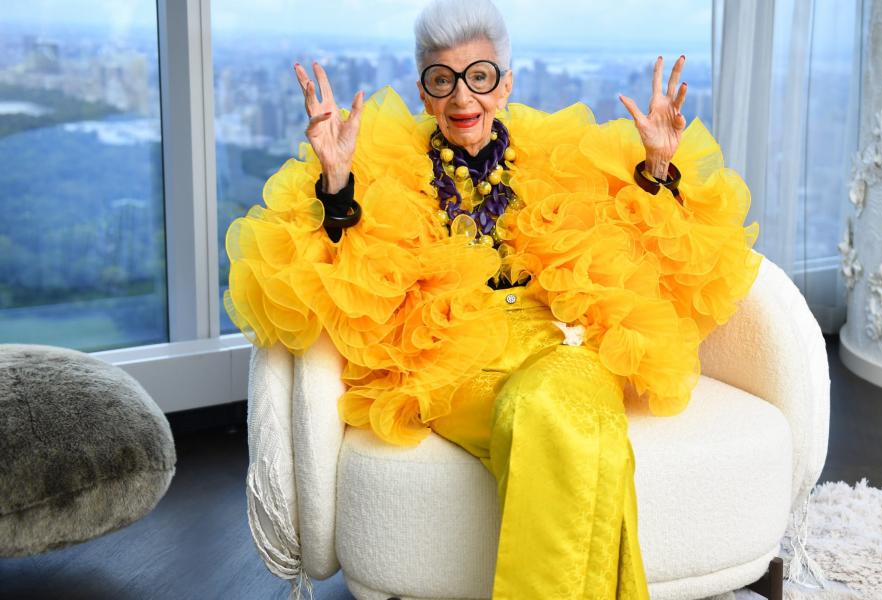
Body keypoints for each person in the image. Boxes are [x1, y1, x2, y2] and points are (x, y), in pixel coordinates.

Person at [224, 0, 762, 597]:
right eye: (442, 80)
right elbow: (331, 272)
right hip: (453, 358)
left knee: (556, 409)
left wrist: (659, 164)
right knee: (571, 429)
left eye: (479, 77)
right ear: (424, 92)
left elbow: (644, 245)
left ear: (504, 84)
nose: (462, 99)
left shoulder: (559, 152)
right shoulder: (381, 164)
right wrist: (335, 180)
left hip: (563, 342)